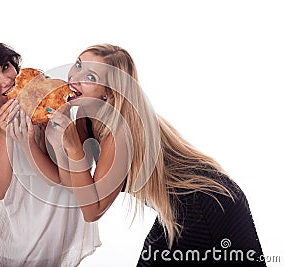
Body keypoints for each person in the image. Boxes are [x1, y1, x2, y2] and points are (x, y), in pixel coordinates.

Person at [14, 44, 266, 266]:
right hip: (176, 207)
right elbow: (69, 183)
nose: (74, 77)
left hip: (206, 203)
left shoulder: (120, 131)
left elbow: (93, 211)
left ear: (109, 92)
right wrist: (33, 143)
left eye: (89, 76)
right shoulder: (84, 118)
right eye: (78, 64)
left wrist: (71, 147)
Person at [0, 37, 100, 266]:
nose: (6, 81)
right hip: (13, 236)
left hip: (55, 228)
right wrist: (7, 133)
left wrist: (39, 136)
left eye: (6, 67)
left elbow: (59, 178)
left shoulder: (48, 101)